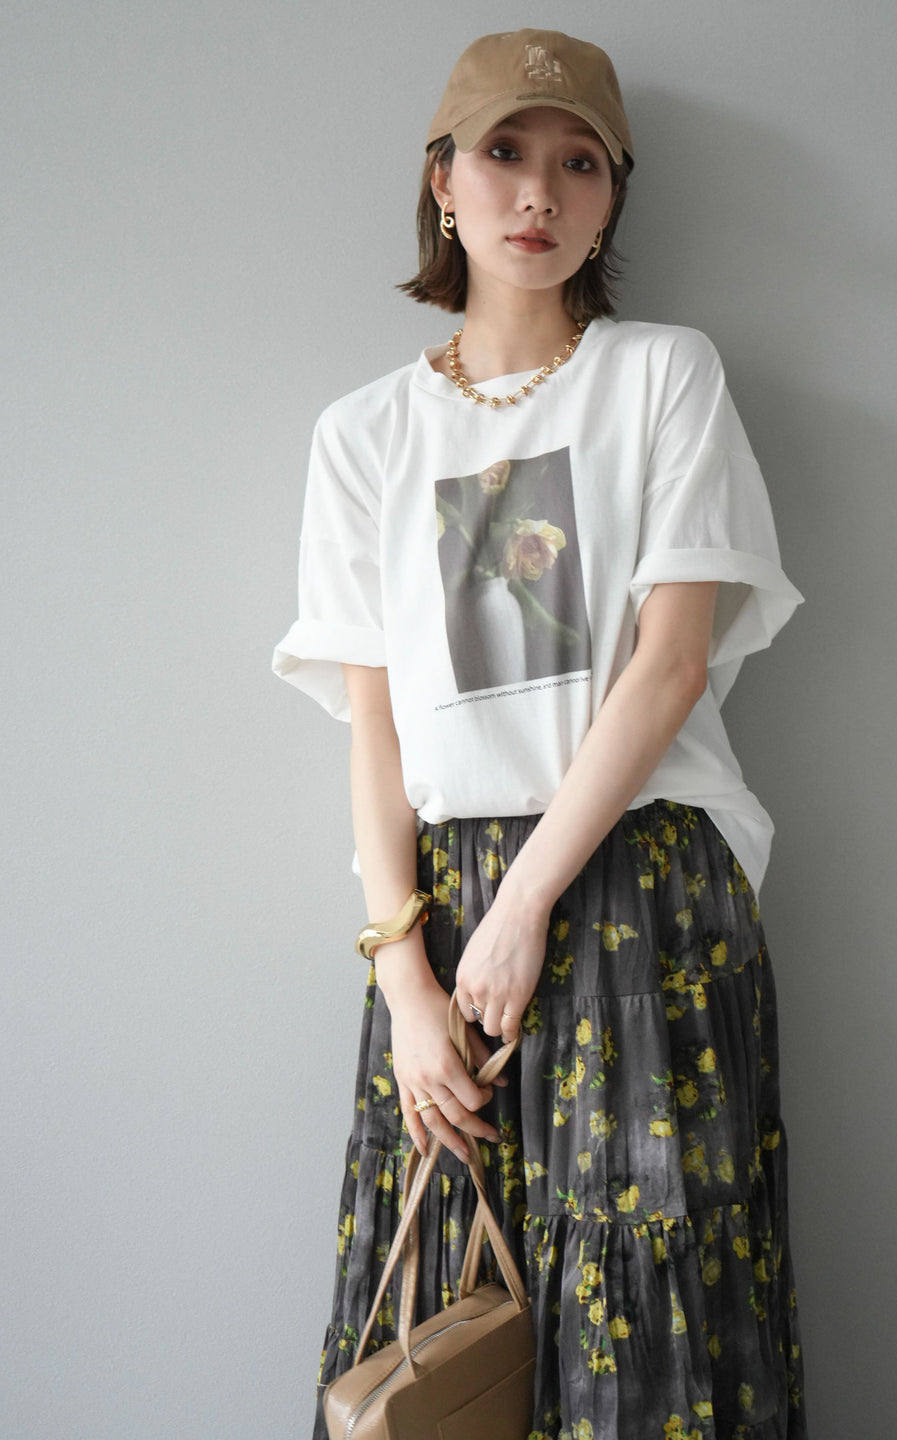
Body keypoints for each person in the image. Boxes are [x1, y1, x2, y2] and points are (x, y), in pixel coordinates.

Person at [272, 27, 809, 1440]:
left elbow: (669, 667)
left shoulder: (664, 375)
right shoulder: (363, 436)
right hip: (439, 914)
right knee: (443, 1326)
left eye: (581, 164)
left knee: (653, 1306)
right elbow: (374, 726)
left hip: (638, 878)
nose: (538, 193)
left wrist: (524, 908)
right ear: (440, 182)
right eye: (503, 152)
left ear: (613, 198)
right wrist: (405, 985)